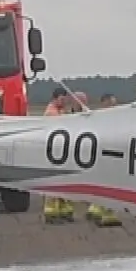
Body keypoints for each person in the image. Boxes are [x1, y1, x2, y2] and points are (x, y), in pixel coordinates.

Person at [40, 88, 77, 223]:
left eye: (65, 99)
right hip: (54, 152)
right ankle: (51, 212)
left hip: (61, 152)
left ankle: (63, 210)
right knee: (54, 182)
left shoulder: (61, 111)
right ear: (55, 98)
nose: (64, 101)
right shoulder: (52, 113)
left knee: (62, 181)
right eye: (62, 99)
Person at [86, 94, 123, 227]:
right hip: (108, 157)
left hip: (103, 157)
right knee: (110, 186)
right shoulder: (109, 119)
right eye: (112, 103)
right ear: (105, 103)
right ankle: (108, 214)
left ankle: (96, 208)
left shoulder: (100, 118)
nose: (115, 106)